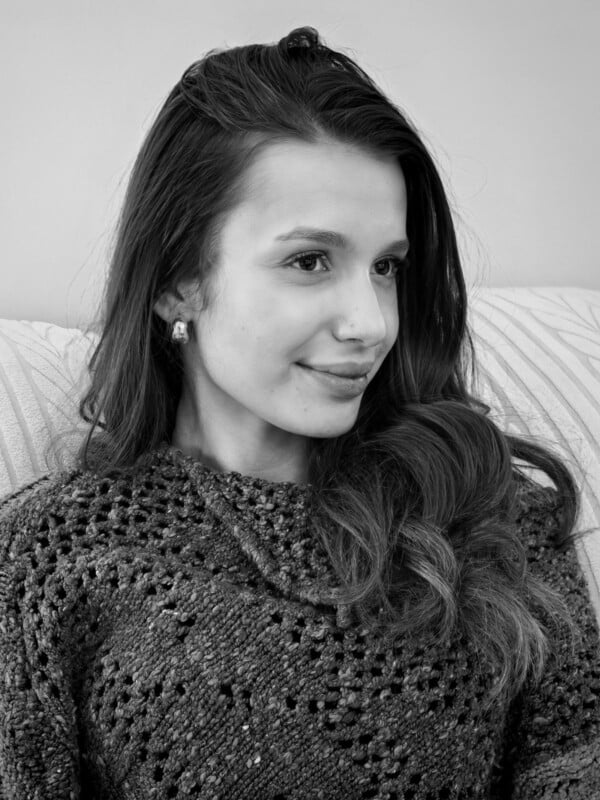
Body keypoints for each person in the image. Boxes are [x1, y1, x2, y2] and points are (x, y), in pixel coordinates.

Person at [0, 25, 598, 800]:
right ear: (179, 281)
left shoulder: (490, 512)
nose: (372, 322)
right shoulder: (45, 558)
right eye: (310, 261)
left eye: (386, 266)